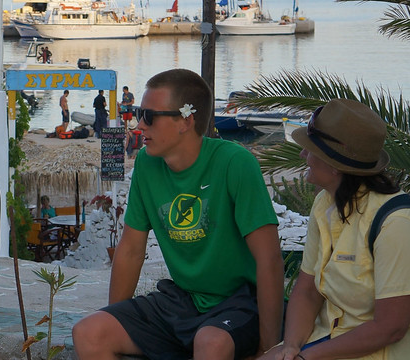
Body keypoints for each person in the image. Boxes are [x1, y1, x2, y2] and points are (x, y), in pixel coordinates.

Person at [72, 69, 284, 359]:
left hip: (239, 303)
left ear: (185, 121)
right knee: (89, 332)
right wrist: (117, 315)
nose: (138, 124)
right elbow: (131, 250)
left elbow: (269, 259)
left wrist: (268, 347)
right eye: (137, 112)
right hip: (183, 300)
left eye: (149, 115)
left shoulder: (235, 163)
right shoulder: (147, 164)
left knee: (211, 343)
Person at [261, 99, 410, 360]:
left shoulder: (399, 225)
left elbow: (390, 328)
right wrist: (291, 346)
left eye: (310, 149)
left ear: (334, 165)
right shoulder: (325, 203)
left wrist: (307, 357)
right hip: (332, 341)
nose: (302, 155)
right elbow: (308, 290)